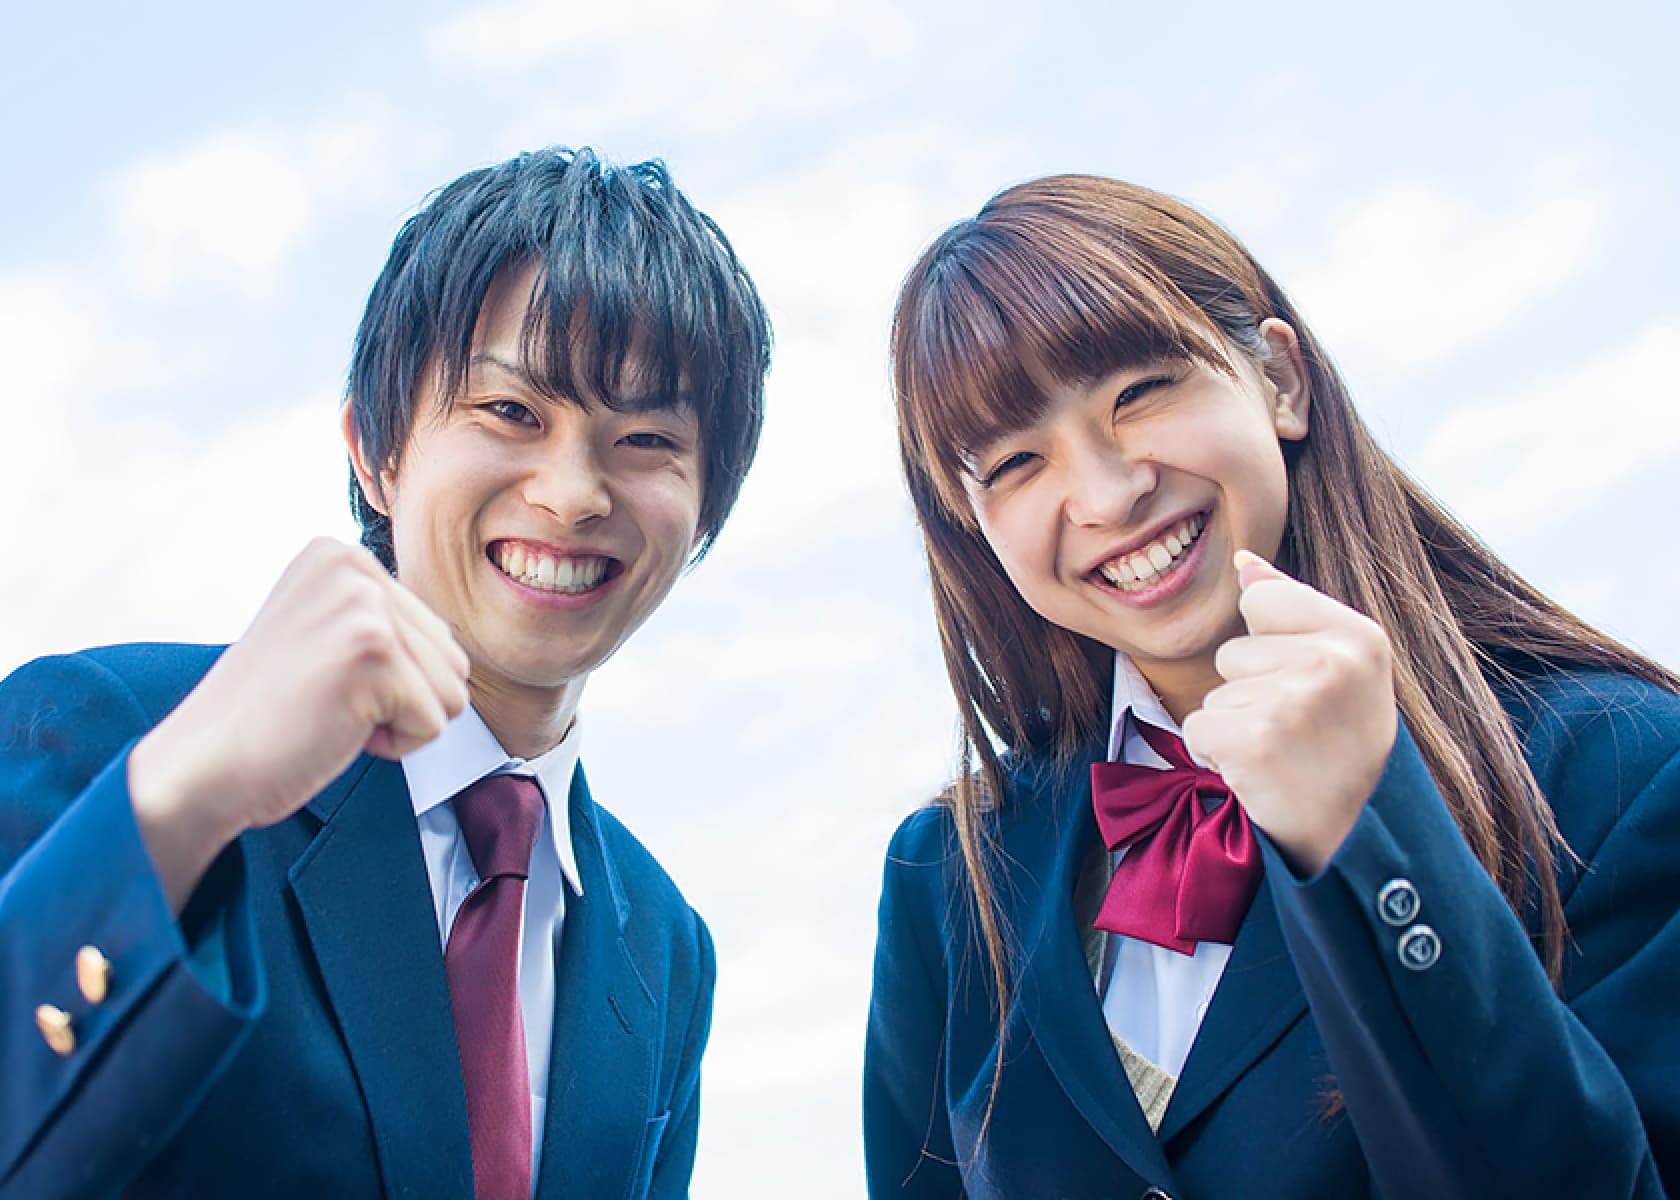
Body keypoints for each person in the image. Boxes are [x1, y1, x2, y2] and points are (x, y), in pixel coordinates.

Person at [863, 174, 1680, 1198]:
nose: (1109, 495)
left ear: (1280, 381)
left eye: (1140, 392)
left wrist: (1375, 834)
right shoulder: (950, 879)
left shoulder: (1626, 769)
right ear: (974, 531)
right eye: (1018, 462)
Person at [0, 146, 770, 1199]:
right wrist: (181, 797)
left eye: (644, 439)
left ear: (707, 509)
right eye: (512, 413)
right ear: (377, 448)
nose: (573, 492)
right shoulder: (112, 735)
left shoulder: (666, 947)